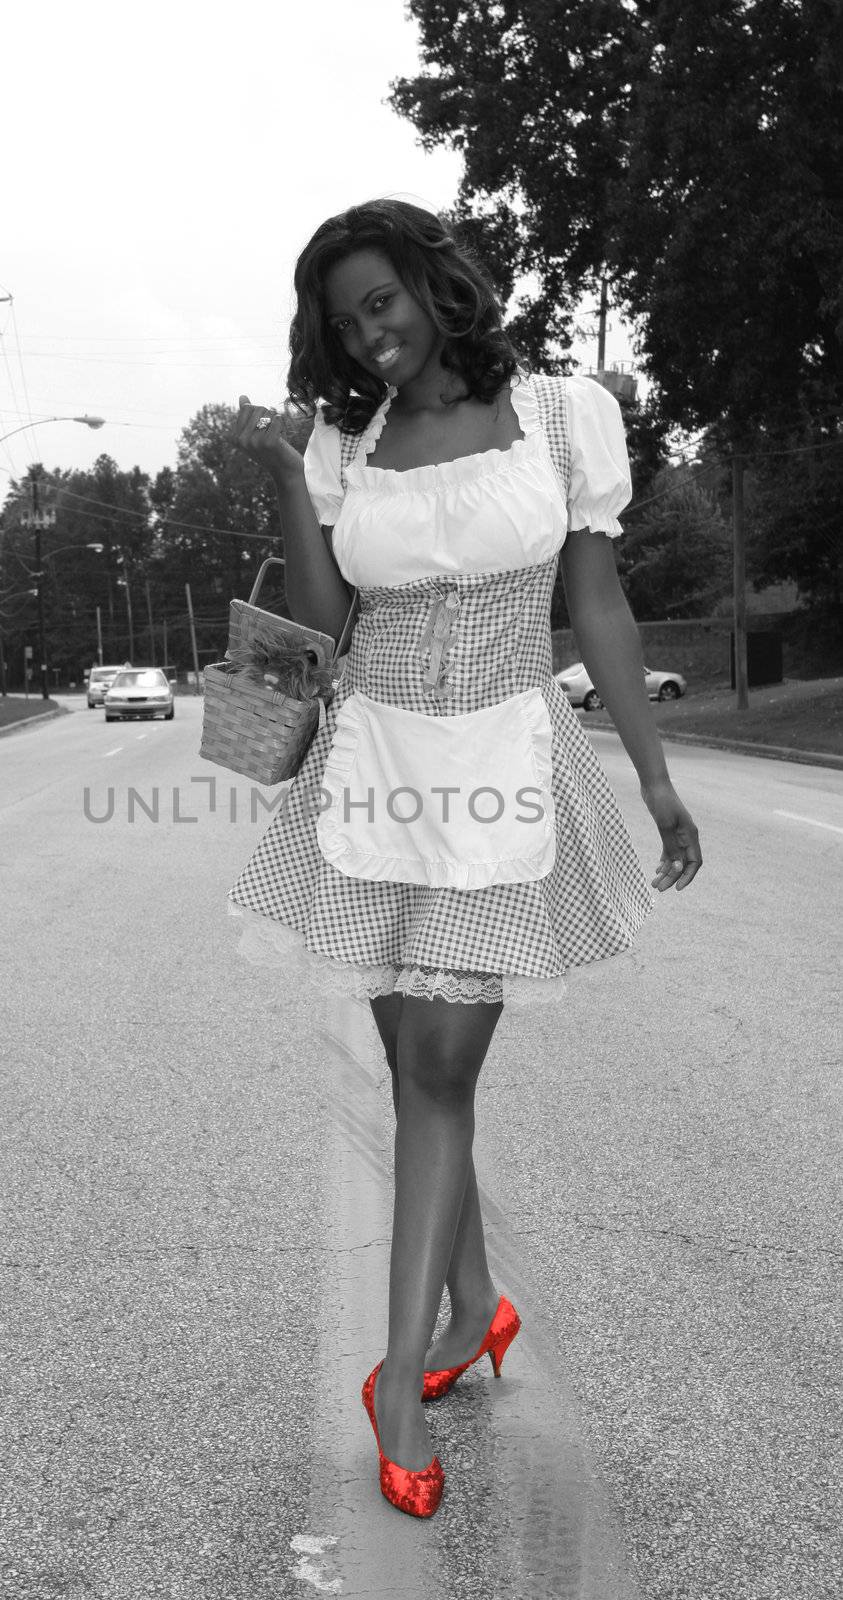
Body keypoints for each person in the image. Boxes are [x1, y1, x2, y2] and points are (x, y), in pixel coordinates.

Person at [229, 198, 702, 1519]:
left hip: (501, 756)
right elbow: (327, 619)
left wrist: (656, 775)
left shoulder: (561, 415)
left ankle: (394, 1383)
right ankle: (476, 1305)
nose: (371, 336)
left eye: (382, 301)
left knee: (440, 1066)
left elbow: (596, 597)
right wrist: (286, 485)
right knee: (411, 1064)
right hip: (374, 762)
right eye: (345, 321)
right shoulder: (345, 443)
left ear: (435, 285)